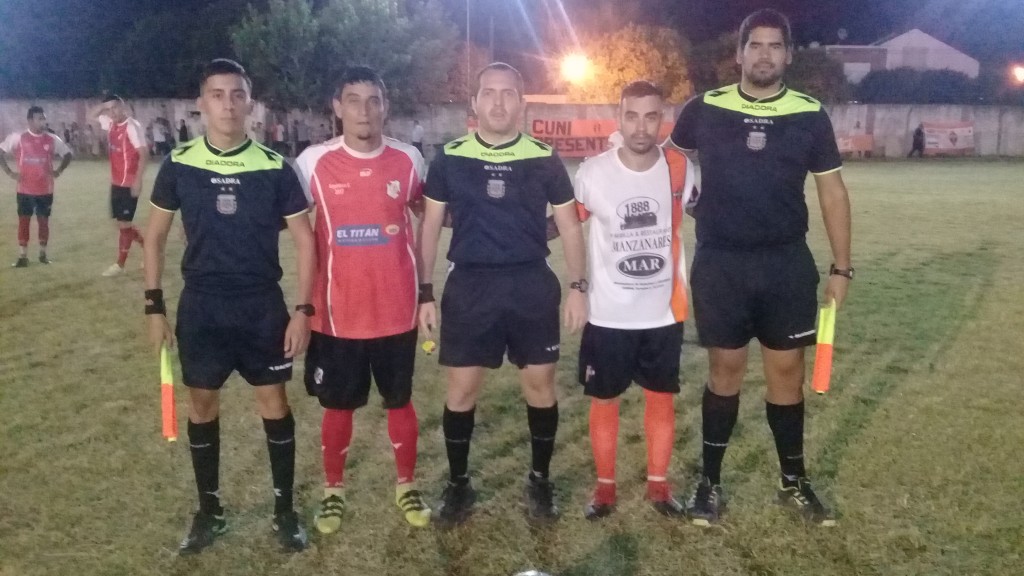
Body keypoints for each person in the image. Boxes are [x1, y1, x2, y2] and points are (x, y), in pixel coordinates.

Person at [668, 9, 852, 527]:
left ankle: (794, 482)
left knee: (787, 373)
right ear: (740, 53)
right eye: (756, 45)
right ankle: (709, 484)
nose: (765, 54)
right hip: (721, 263)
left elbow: (832, 192)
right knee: (724, 370)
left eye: (775, 46)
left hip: (785, 263)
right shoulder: (704, 108)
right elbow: (667, 169)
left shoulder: (809, 113)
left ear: (788, 56)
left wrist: (842, 268)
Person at [143, 58, 315, 554]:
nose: (228, 104)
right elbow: (154, 239)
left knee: (274, 402)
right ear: (201, 104)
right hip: (203, 307)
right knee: (201, 405)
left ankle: (284, 511)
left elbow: (306, 241)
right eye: (217, 95)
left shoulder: (275, 166)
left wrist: (303, 310)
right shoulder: (179, 164)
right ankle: (210, 512)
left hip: (261, 306)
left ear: (250, 103)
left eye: (237, 95)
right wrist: (154, 307)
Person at [418, 62, 588, 526]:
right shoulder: (450, 157)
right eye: (489, 93)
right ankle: (458, 485)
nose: (498, 102)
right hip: (470, 286)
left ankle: (540, 480)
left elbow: (571, 225)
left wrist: (577, 287)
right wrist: (425, 292)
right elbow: (429, 226)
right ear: (474, 102)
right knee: (461, 391)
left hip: (531, 285)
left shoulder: (544, 157)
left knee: (540, 387)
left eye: (508, 93)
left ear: (522, 102)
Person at [295, 66, 431, 534]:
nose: (364, 111)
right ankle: (333, 491)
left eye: (373, 100)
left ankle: (407, 484)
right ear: (337, 108)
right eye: (353, 100)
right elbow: (289, 224)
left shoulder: (409, 159)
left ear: (385, 106)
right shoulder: (312, 162)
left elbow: (429, 217)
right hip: (337, 314)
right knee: (338, 406)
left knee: (400, 401)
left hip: (398, 310)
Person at [573, 81, 695, 520]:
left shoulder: (681, 169)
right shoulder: (592, 173)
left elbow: (709, 211)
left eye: (650, 116)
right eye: (632, 116)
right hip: (608, 315)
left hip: (663, 311)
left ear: (663, 119)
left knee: (661, 398)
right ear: (619, 118)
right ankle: (605, 489)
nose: (641, 127)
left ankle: (659, 487)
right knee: (604, 400)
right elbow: (564, 225)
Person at [0, 106, 73, 266]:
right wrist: (10, 173)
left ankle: (43, 255)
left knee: (43, 222)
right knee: (24, 222)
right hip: (24, 189)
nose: (43, 122)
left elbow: (68, 154)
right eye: (39, 119)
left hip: (45, 189)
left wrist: (59, 170)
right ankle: (23, 257)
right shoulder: (18, 137)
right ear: (30, 121)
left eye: (43, 118)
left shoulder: (52, 139)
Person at [89, 94, 150, 276]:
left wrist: (138, 180)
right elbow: (90, 116)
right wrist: (103, 106)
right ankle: (149, 248)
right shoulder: (110, 124)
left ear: (123, 107)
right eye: (109, 110)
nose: (113, 112)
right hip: (116, 182)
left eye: (115, 107)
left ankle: (120, 264)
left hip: (128, 182)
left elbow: (144, 153)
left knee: (124, 224)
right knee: (121, 224)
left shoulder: (132, 126)